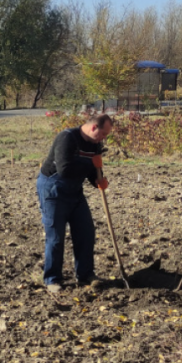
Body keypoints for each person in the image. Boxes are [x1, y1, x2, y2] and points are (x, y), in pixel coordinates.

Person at [36, 114, 113, 291]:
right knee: (56, 237)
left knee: (86, 231)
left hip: (75, 191)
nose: (103, 139)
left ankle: (86, 275)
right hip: (53, 189)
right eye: (103, 134)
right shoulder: (67, 138)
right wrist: (89, 164)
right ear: (94, 127)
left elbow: (94, 170)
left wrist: (97, 181)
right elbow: (65, 169)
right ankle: (52, 279)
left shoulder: (95, 145)